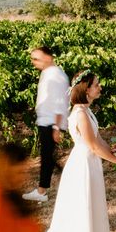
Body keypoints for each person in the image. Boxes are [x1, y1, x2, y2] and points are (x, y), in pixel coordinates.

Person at [30, 70, 116, 232]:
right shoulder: (81, 114)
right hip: (83, 164)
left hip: (89, 163)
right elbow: (92, 145)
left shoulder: (87, 111)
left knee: (91, 207)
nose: (99, 87)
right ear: (85, 89)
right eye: (96, 84)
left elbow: (99, 140)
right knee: (82, 209)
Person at [23, 46, 70, 202]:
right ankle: (61, 181)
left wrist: (56, 127)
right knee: (49, 157)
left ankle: (42, 191)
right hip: (46, 120)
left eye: (37, 58)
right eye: (32, 59)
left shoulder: (55, 76)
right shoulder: (48, 73)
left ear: (48, 57)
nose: (33, 62)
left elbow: (59, 103)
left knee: (47, 157)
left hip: (51, 122)